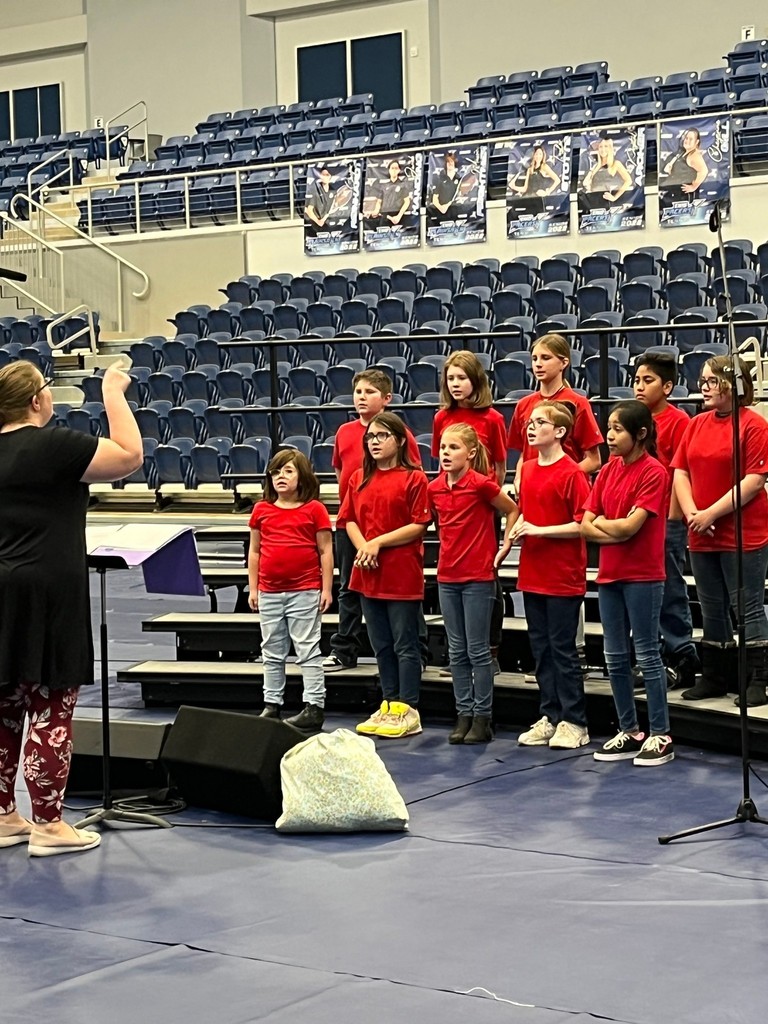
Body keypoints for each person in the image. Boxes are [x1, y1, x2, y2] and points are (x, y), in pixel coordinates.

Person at [0, 360, 142, 856]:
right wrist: (112, 391)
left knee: (4, 705)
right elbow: (129, 456)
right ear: (38, 400)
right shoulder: (52, 445)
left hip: (2, 589)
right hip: (50, 590)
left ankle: (3, 816)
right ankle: (49, 824)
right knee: (52, 702)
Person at [672, 355, 768, 707]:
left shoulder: (754, 425)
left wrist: (710, 512)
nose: (705, 388)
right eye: (703, 381)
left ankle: (758, 677)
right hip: (702, 531)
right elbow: (680, 471)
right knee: (711, 607)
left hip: (744, 531)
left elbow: (755, 480)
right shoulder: (695, 425)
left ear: (733, 385)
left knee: (748, 606)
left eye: (712, 381)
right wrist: (693, 513)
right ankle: (716, 675)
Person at [583, 400, 674, 767]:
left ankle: (660, 733)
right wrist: (612, 530)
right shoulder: (606, 472)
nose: (609, 435)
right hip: (610, 575)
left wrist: (608, 526)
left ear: (639, 434)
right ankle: (630, 730)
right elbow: (586, 525)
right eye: (608, 428)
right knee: (615, 657)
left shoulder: (655, 472)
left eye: (617, 429)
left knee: (648, 655)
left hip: (643, 575)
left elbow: (629, 527)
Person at [499, 401, 592, 750]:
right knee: (540, 649)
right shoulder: (530, 469)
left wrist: (539, 530)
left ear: (560, 432)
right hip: (533, 573)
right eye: (530, 422)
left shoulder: (571, 473)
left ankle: (575, 720)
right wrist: (513, 536)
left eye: (540, 422)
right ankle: (550, 714)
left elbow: (583, 524)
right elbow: (524, 514)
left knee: (562, 649)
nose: (531, 427)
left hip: (563, 575)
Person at [337, 411, 431, 739]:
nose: (374, 442)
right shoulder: (359, 477)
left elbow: (419, 524)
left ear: (400, 440)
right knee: (380, 644)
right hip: (367, 571)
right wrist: (364, 545)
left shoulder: (414, 478)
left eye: (381, 436)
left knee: (405, 643)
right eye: (370, 437)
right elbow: (348, 518)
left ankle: (408, 707)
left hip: (400, 571)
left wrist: (377, 543)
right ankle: (389, 703)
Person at [325, 369, 421, 673]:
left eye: (369, 392)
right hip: (351, 523)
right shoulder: (344, 431)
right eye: (358, 392)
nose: (361, 397)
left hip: (386, 527)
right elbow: (342, 472)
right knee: (349, 587)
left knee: (401, 593)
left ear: (386, 399)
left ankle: (416, 650)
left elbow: (410, 471)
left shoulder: (400, 433)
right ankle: (344, 649)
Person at [428, 423, 518, 744]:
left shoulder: (482, 485)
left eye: (453, 448)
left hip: (478, 577)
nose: (446, 454)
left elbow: (511, 509)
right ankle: (463, 713)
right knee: (456, 650)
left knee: (478, 650)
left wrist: (504, 545)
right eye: (442, 448)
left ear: (471, 452)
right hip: (447, 577)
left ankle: (483, 716)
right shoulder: (434, 488)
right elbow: (441, 526)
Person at [431, 350, 508, 673]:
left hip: (482, 502)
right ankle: (460, 654)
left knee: (487, 579)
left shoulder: (492, 418)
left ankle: (489, 650)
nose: (456, 384)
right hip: (452, 503)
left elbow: (501, 467)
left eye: (462, 377)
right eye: (451, 378)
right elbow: (440, 463)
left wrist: (487, 498)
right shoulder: (441, 418)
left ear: (476, 380)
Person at [248, 449, 333, 731]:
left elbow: (325, 550)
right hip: (270, 591)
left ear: (302, 476)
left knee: (307, 649)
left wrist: (326, 589)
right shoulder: (261, 510)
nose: (280, 477)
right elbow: (255, 552)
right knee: (271, 650)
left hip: (305, 590)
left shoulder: (314, 509)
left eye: (288, 471)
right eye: (275, 472)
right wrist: (254, 588)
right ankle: (272, 703)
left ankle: (314, 706)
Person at [633, 353, 698, 688]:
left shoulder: (679, 422)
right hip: (638, 520)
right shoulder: (634, 419)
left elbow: (680, 472)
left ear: (668, 386)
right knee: (643, 591)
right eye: (637, 380)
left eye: (648, 381)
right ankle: (650, 656)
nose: (639, 387)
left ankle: (680, 655)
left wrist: (672, 521)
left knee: (670, 588)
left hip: (665, 520)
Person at [507, 333, 603, 499]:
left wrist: (560, 478)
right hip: (533, 491)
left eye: (545, 358)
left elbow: (594, 460)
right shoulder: (523, 404)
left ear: (564, 363)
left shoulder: (577, 403)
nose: (538, 364)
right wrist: (519, 477)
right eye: (535, 358)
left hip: (565, 494)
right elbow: (524, 453)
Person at [579, 135, 632, 211]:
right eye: (601, 147)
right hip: (593, 203)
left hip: (608, 204)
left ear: (610, 148)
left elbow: (628, 181)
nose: (603, 149)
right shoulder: (595, 166)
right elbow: (585, 183)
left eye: (606, 146)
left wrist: (615, 197)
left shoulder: (616, 164)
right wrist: (598, 165)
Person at [661, 128, 708, 198]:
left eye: (691, 139)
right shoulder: (683, 153)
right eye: (686, 138)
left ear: (697, 142)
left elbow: (704, 171)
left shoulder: (694, 155)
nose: (687, 141)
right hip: (673, 193)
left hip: (683, 197)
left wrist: (693, 187)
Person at [365, 159, 411, 230]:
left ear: (399, 170)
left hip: (398, 217)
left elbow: (407, 202)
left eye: (396, 168)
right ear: (389, 170)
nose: (394, 170)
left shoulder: (403, 185)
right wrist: (376, 211)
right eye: (392, 168)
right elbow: (379, 202)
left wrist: (399, 216)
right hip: (385, 217)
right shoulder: (384, 186)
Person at [429, 151, 461, 222]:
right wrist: (441, 208)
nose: (450, 164)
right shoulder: (440, 179)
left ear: (455, 163)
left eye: (452, 162)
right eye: (448, 162)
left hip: (456, 214)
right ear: (445, 164)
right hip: (441, 216)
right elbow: (434, 199)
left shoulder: (460, 179)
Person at [305, 165, 334, 235]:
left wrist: (323, 220)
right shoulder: (315, 191)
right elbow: (309, 210)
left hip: (328, 225)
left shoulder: (333, 191)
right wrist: (318, 221)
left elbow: (332, 209)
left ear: (330, 176)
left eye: (327, 175)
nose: (325, 176)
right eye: (323, 175)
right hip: (314, 227)